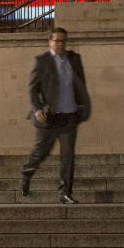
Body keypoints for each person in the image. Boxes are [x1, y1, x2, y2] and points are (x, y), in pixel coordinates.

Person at [20, 26, 91, 205]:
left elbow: (81, 85)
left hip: (69, 117)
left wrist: (82, 106)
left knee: (67, 157)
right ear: (49, 42)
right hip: (49, 118)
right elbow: (32, 89)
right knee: (40, 153)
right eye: (57, 40)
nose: (60, 44)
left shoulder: (74, 59)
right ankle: (27, 173)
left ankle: (65, 193)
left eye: (63, 40)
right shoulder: (42, 61)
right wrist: (37, 109)